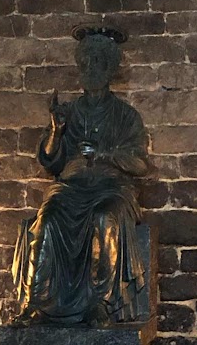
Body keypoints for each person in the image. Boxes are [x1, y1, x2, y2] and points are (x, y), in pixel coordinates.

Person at [12, 27, 150, 325]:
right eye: (85, 61)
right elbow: (50, 161)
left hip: (110, 188)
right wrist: (56, 130)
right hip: (70, 188)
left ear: (109, 68)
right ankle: (37, 302)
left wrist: (104, 154)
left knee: (105, 220)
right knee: (47, 221)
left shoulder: (126, 116)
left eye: (97, 61)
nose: (90, 68)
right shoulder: (68, 112)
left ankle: (100, 302)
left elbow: (140, 163)